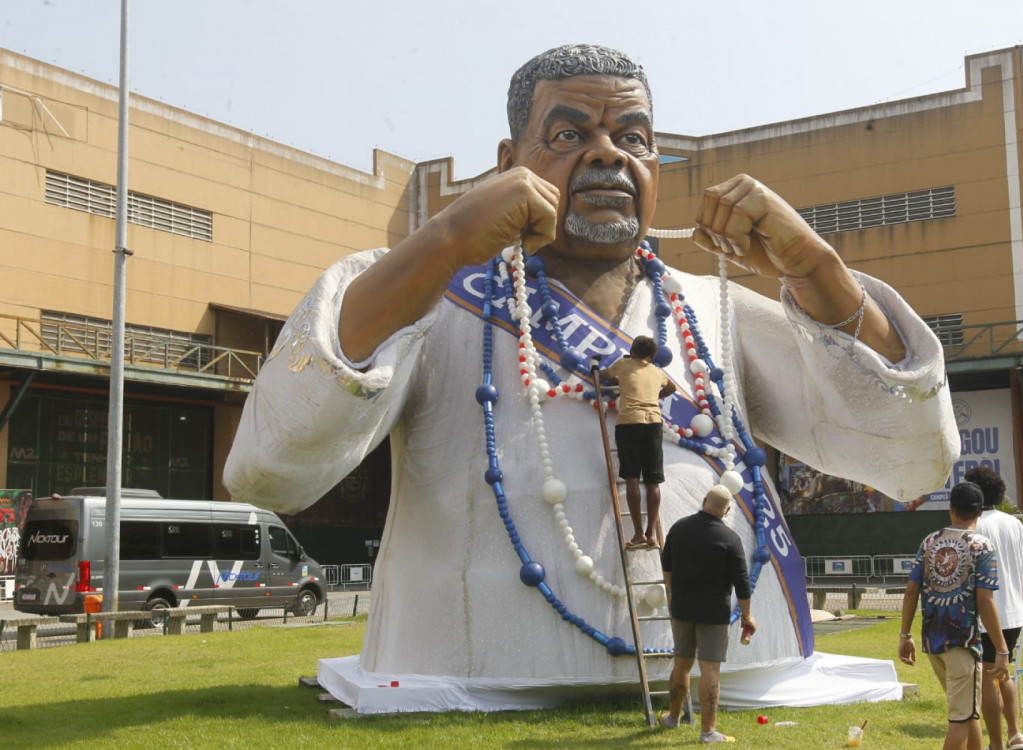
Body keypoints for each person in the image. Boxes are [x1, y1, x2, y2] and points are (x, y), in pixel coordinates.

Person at [225, 43, 958, 709]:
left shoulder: (714, 308)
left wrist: (820, 273)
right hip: (468, 667)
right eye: (572, 134)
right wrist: (443, 241)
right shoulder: (432, 294)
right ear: (511, 158)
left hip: (744, 663)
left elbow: (913, 456)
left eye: (633, 138)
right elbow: (270, 470)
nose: (609, 155)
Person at [899, 482, 1009, 750]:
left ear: (951, 509)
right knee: (960, 720)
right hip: (963, 643)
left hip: (933, 641)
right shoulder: (982, 546)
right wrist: (1003, 649)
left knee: (967, 711)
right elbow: (984, 601)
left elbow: (911, 590)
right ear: (980, 512)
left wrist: (905, 635)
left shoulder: (929, 541)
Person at [659, 484, 756, 744]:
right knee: (710, 668)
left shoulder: (678, 528)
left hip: (681, 607)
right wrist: (747, 616)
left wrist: (671, 593)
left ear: (704, 501)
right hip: (714, 612)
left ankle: (673, 718)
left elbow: (666, 564)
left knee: (681, 663)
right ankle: (708, 732)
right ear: (726, 511)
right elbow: (743, 584)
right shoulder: (730, 539)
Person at [967, 466, 1023, 750]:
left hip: (985, 613)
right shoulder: (1014, 523)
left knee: (986, 674)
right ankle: (1015, 734)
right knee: (1005, 671)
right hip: (1013, 612)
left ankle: (995, 742)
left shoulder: (973, 525)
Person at [599, 335, 676, 549]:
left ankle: (638, 534)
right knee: (653, 480)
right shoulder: (656, 371)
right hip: (654, 423)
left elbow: (603, 376)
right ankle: (652, 534)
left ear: (632, 351)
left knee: (632, 477)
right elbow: (672, 388)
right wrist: (653, 397)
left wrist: (600, 370)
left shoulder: (623, 364)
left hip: (629, 423)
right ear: (651, 355)